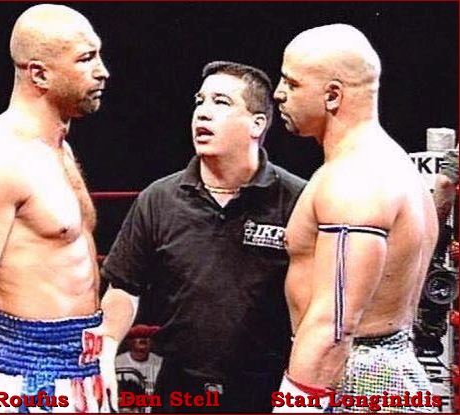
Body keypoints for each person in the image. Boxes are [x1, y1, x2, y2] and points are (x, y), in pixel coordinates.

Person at [0, 4, 122, 413]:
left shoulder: (57, 149)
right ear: (39, 74)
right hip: (21, 374)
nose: (102, 71)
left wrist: (101, 355)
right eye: (86, 58)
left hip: (82, 367)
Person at [99, 60, 306, 413]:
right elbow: (124, 286)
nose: (203, 113)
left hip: (267, 391)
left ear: (257, 124)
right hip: (179, 390)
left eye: (221, 102)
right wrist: (106, 347)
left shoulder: (297, 199)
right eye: (200, 101)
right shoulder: (159, 199)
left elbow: (318, 305)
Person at [272, 24, 439, 413]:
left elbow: (335, 324)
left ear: (332, 95)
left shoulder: (355, 179)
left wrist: (296, 405)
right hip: (382, 371)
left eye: (292, 83)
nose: (278, 93)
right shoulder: (392, 165)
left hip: (356, 379)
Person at [115, 324, 163, 395]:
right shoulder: (116, 363)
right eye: (140, 341)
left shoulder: (161, 363)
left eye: (146, 340)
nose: (143, 346)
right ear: (129, 343)